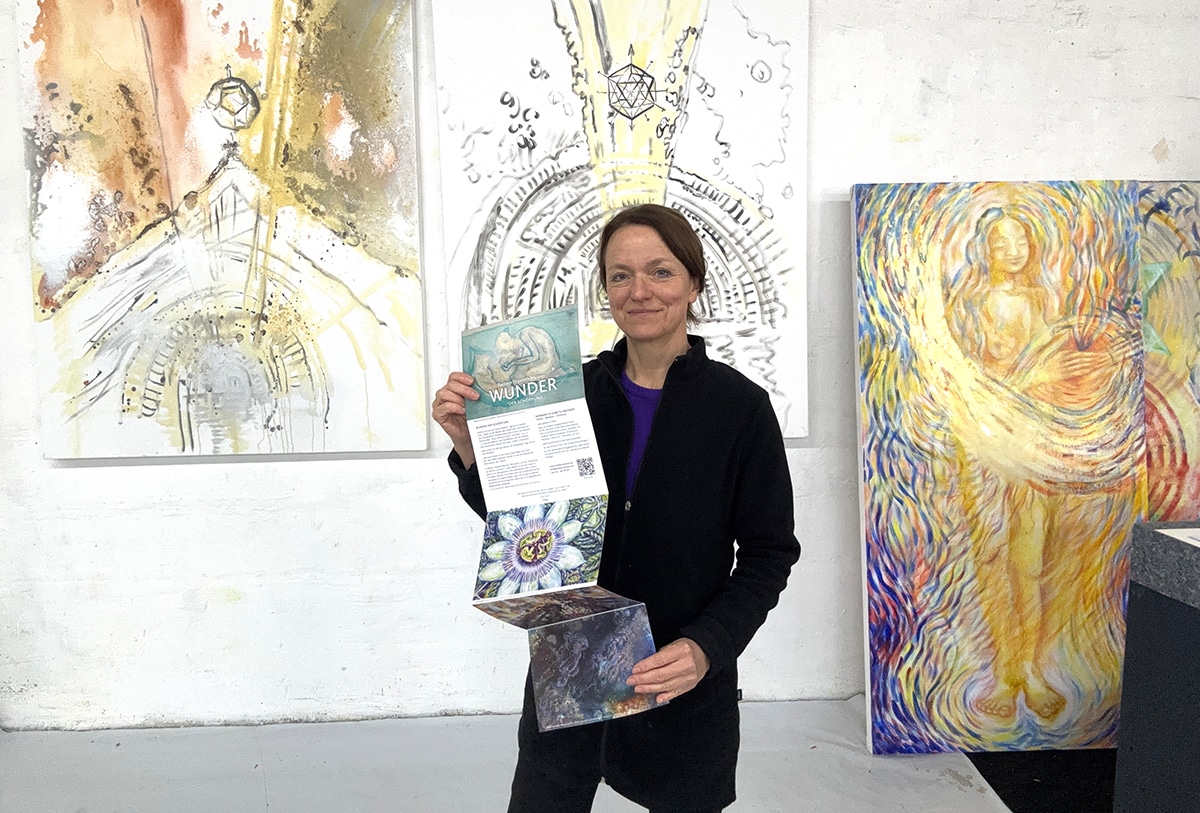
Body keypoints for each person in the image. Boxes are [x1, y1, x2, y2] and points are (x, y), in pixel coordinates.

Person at [432, 203, 800, 812]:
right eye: (620, 275)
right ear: (605, 290)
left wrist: (707, 646)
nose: (639, 291)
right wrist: (472, 448)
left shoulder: (740, 408)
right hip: (568, 663)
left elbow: (769, 555)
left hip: (676, 678)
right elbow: (525, 529)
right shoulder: (565, 395)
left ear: (693, 283)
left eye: (660, 271)